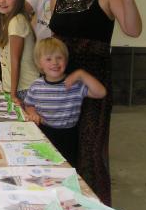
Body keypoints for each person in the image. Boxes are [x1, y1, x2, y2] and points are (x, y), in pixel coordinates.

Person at [49, 0, 142, 205]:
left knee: (90, 150)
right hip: (62, 83)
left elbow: (133, 30)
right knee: (61, 145)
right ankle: (63, 205)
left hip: (93, 85)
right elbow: (55, 41)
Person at [24, 37, 107, 166]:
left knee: (67, 167)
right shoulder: (36, 85)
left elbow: (101, 92)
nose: (55, 62)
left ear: (66, 60)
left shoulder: (75, 84)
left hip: (69, 136)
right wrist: (33, 113)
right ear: (39, 63)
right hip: (44, 133)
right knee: (44, 165)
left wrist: (81, 74)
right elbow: (29, 104)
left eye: (59, 58)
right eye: (48, 59)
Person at [0, 0, 39, 105]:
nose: (2, 1)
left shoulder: (16, 21)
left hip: (23, 89)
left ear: (18, 0)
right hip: (15, 87)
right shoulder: (7, 20)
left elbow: (15, 61)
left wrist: (13, 95)